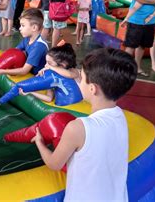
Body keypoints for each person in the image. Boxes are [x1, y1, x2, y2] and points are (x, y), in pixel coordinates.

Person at [31, 48, 137, 201]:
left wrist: (39, 142)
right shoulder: (120, 116)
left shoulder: (78, 128)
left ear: (92, 89)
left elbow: (54, 163)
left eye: (81, 78)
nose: (79, 81)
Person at [0, 8, 48, 78]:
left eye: (23, 25)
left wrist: (2, 71)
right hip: (30, 71)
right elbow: (14, 51)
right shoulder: (27, 38)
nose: (20, 28)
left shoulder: (38, 46)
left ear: (34, 27)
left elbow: (24, 70)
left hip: (38, 76)